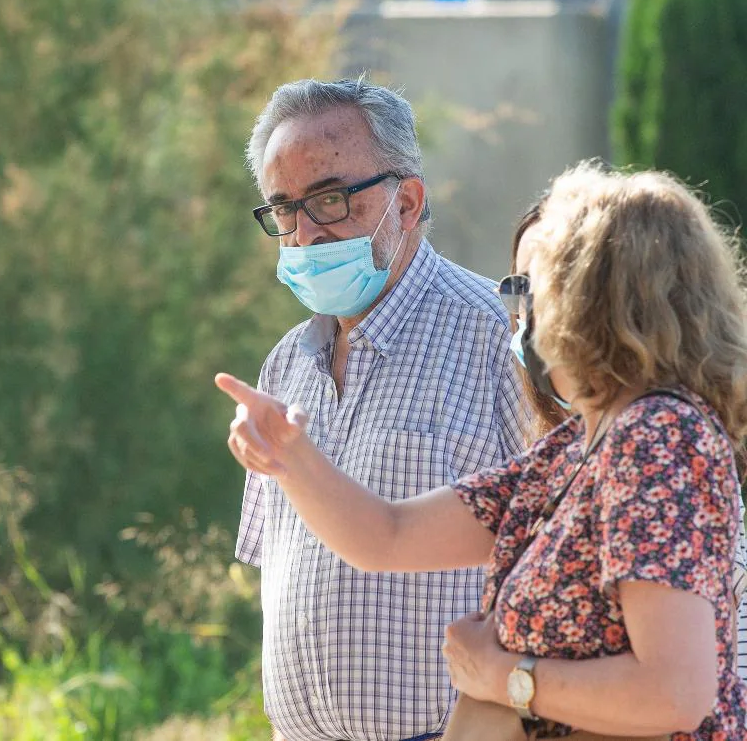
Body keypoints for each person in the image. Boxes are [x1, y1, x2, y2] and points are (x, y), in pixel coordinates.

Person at [218, 162, 747, 739]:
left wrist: (503, 678)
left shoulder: (659, 437)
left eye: (525, 287)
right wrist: (290, 457)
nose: (514, 314)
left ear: (600, 298)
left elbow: (673, 694)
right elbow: (385, 536)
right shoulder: (574, 453)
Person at [234, 77, 528, 741]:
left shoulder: (498, 342)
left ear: (408, 201)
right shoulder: (284, 366)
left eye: (330, 199)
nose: (306, 234)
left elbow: (566, 562)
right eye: (283, 210)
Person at [508, 193, 747, 686]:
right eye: (520, 288)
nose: (531, 318)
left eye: (552, 291)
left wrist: (507, 678)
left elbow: (682, 689)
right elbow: (389, 534)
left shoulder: (668, 444)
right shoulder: (560, 457)